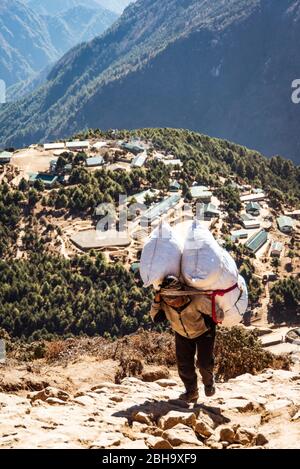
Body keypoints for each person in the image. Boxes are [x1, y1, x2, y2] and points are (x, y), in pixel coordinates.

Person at [150, 275, 217, 403]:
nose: (172, 303)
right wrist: (157, 301)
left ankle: (209, 384)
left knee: (204, 363)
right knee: (184, 366)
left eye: (174, 300)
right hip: (181, 333)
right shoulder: (163, 302)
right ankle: (191, 392)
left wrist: (208, 326)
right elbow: (155, 317)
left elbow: (216, 314)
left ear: (182, 294)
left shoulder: (198, 299)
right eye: (168, 300)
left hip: (203, 332)